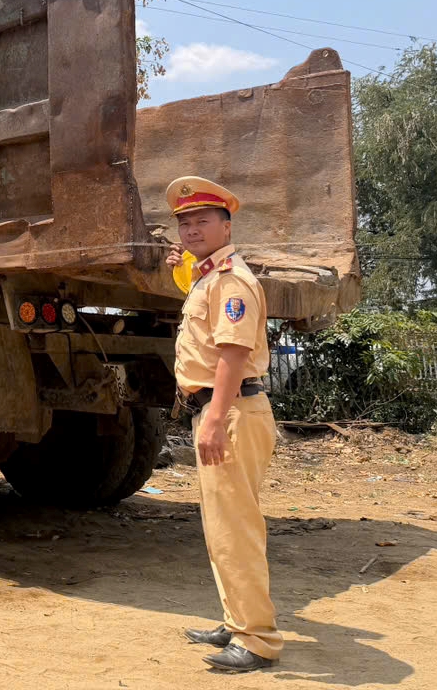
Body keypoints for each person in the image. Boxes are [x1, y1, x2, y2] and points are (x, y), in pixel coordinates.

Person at [164, 176, 281, 673]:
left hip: (229, 411)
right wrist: (186, 268)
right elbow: (203, 313)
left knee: (236, 530)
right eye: (185, 223)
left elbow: (232, 354)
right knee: (223, 527)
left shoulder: (232, 280)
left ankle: (256, 640)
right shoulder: (211, 277)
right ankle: (237, 622)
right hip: (225, 412)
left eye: (202, 221)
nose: (192, 229)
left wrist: (213, 420)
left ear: (226, 225)